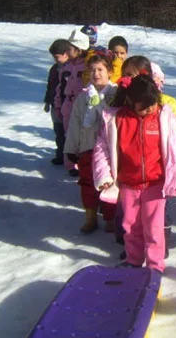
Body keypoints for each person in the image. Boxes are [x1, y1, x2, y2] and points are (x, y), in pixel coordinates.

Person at [93, 74, 176, 273]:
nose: (148, 110)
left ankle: (155, 266)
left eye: (151, 105)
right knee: (131, 225)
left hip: (155, 183)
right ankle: (133, 260)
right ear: (130, 101)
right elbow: (102, 148)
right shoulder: (117, 119)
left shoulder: (165, 118)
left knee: (154, 228)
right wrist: (104, 175)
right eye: (142, 107)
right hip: (128, 183)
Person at [64, 54, 118, 233]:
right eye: (92, 70)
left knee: (108, 183)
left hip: (110, 149)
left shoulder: (116, 94)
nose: (96, 74)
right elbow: (74, 124)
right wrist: (71, 148)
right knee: (87, 182)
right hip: (87, 146)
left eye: (100, 69)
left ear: (109, 71)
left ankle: (110, 218)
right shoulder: (83, 97)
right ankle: (90, 216)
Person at [56, 28, 90, 176]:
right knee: (68, 135)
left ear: (79, 49)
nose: (67, 52)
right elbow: (60, 86)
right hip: (67, 105)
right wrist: (58, 104)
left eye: (69, 49)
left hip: (82, 105)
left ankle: (82, 163)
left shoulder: (88, 66)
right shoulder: (67, 66)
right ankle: (69, 164)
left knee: (82, 135)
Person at [44, 39, 71, 165]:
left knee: (69, 133)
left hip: (67, 106)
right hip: (55, 106)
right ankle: (60, 153)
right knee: (59, 132)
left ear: (66, 54)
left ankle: (71, 158)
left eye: (57, 57)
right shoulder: (54, 69)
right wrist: (47, 101)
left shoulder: (71, 69)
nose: (55, 59)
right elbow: (50, 86)